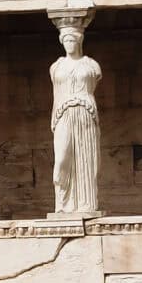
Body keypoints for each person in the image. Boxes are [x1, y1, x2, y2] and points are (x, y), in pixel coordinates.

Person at [49, 23, 102, 214]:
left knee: (85, 158)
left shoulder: (91, 65)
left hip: (85, 113)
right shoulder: (56, 66)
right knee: (62, 159)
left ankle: (86, 204)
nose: (69, 44)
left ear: (79, 41)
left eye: (72, 40)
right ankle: (63, 203)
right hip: (63, 114)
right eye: (66, 40)